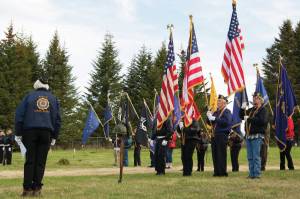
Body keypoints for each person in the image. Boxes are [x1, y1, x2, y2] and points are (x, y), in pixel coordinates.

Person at [15, 77, 61, 196]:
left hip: (29, 131)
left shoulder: (29, 97)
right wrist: (55, 136)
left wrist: (18, 133)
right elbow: (57, 119)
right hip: (46, 132)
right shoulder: (54, 98)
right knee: (41, 161)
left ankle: (26, 189)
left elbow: (19, 115)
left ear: (36, 85)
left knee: (30, 161)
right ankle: (37, 189)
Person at [240, 92, 268, 179]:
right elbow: (241, 116)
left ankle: (257, 174)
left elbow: (262, 121)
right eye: (254, 98)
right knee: (250, 156)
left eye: (256, 98)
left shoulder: (263, 110)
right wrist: (242, 108)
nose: (254, 99)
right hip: (249, 135)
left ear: (260, 100)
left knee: (256, 156)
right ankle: (251, 174)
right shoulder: (251, 110)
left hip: (257, 135)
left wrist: (250, 119)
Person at [207, 95, 232, 177]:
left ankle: (222, 172)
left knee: (221, 154)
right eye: (218, 101)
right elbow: (210, 123)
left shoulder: (227, 112)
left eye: (220, 101)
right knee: (215, 154)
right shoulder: (216, 112)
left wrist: (214, 118)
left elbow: (226, 122)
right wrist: (208, 116)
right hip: (214, 135)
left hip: (222, 135)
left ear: (224, 103)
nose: (218, 103)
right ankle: (216, 171)